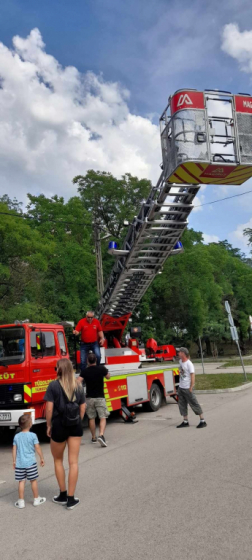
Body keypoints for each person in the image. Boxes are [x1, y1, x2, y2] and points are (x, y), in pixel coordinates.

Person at [44, 358, 86, 510]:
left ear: (59, 369)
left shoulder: (53, 386)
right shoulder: (78, 385)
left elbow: (49, 409)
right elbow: (82, 407)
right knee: (73, 462)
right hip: (75, 427)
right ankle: (71, 499)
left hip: (59, 426)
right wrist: (78, 421)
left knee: (58, 461)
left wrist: (49, 425)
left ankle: (62, 494)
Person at [12, 414, 46, 509]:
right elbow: (37, 447)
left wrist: (14, 461)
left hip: (20, 464)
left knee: (21, 482)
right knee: (33, 481)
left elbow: (14, 449)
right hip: (31, 463)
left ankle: (21, 501)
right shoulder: (33, 435)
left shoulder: (16, 437)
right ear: (30, 424)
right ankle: (36, 499)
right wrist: (41, 458)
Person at [78, 352, 110, 447]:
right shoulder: (102, 369)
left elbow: (77, 382)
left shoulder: (85, 371)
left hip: (89, 398)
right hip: (100, 397)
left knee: (91, 418)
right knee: (102, 417)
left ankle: (93, 437)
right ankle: (101, 435)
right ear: (96, 360)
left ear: (87, 361)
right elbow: (108, 377)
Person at [176, 347, 207, 429]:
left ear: (183, 353)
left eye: (179, 352)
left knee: (194, 403)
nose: (178, 353)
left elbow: (192, 375)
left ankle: (202, 421)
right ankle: (185, 421)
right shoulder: (180, 361)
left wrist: (191, 386)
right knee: (182, 404)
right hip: (181, 387)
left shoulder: (189, 364)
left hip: (187, 387)